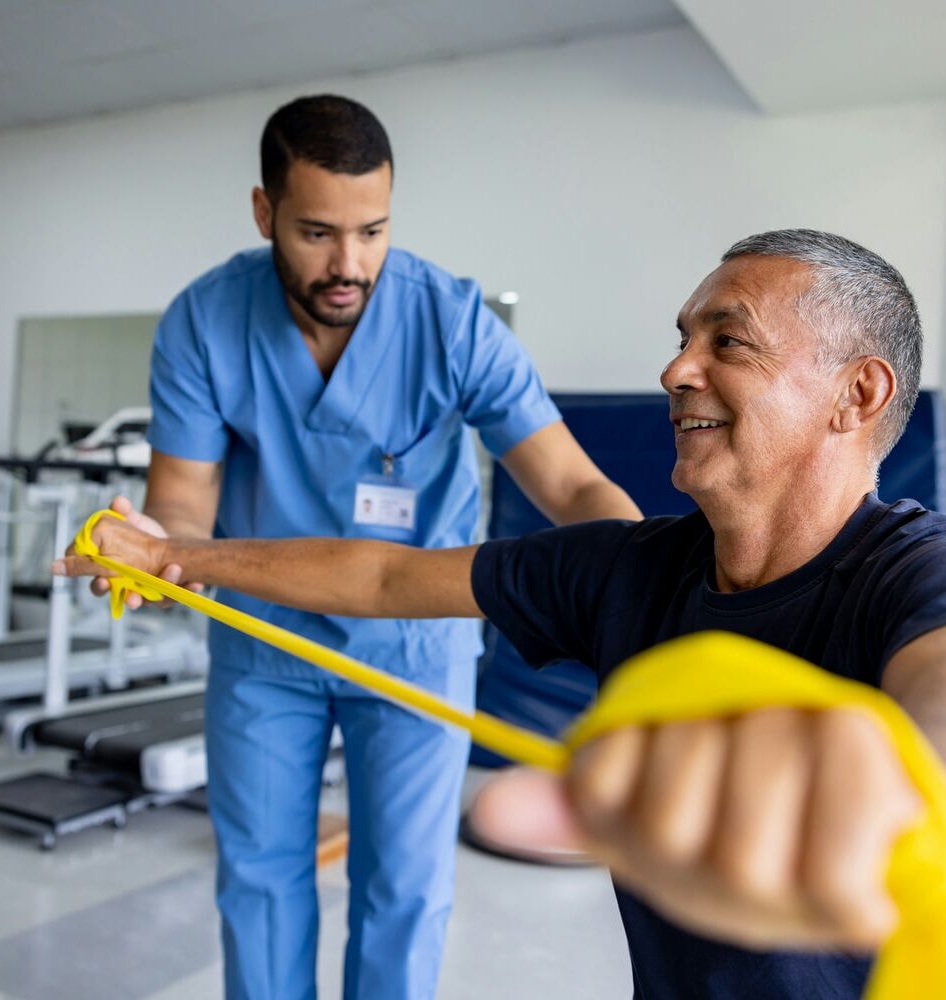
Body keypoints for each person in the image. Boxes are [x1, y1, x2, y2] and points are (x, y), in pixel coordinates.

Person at [60, 229, 946, 999]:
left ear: (858, 395)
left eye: (729, 341)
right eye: (682, 338)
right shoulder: (628, 567)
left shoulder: (913, 568)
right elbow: (383, 581)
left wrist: (897, 774)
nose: (675, 369)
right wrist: (173, 554)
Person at [99, 93, 641, 1000]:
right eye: (316, 232)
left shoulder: (454, 322)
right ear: (265, 211)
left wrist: (649, 578)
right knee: (261, 881)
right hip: (265, 643)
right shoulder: (204, 321)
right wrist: (154, 550)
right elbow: (183, 506)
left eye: (373, 230)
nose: (349, 265)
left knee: (404, 892)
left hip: (416, 643)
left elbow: (573, 485)